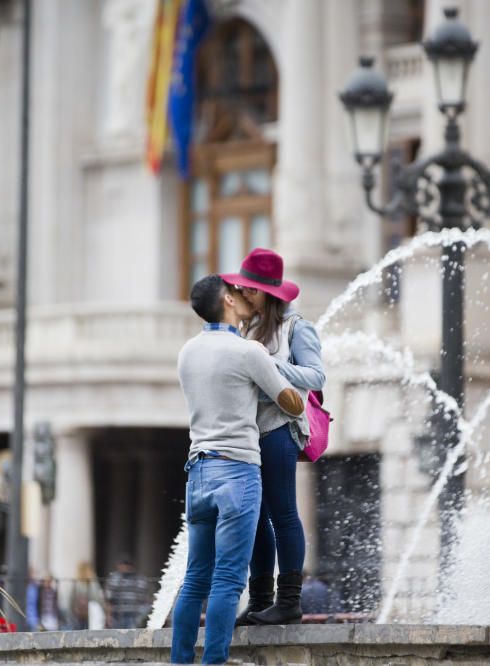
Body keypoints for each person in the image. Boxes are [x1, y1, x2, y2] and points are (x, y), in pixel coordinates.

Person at [171, 275, 305, 665]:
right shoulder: (249, 353)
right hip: (238, 472)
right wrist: (279, 376)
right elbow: (292, 404)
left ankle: (179, 662)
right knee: (228, 580)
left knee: (195, 580)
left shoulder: (187, 351)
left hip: (197, 472)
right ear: (228, 300)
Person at [222, 248, 326, 626]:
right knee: (256, 517)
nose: (243, 294)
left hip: (280, 429)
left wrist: (271, 367)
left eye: (249, 289)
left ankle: (289, 601)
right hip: (247, 431)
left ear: (267, 292)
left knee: (283, 512)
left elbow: (316, 376)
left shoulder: (297, 327)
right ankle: (261, 599)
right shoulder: (246, 329)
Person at [106, 557, 149, 628]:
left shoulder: (140, 579)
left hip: (135, 616)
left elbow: (145, 599)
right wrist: (109, 616)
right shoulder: (114, 579)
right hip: (117, 616)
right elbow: (109, 600)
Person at [71, 561, 107, 630]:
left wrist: (72, 610)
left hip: (80, 613)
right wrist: (103, 608)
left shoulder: (76, 582)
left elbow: (71, 599)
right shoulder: (92, 582)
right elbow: (97, 597)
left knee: (79, 631)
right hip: (91, 611)